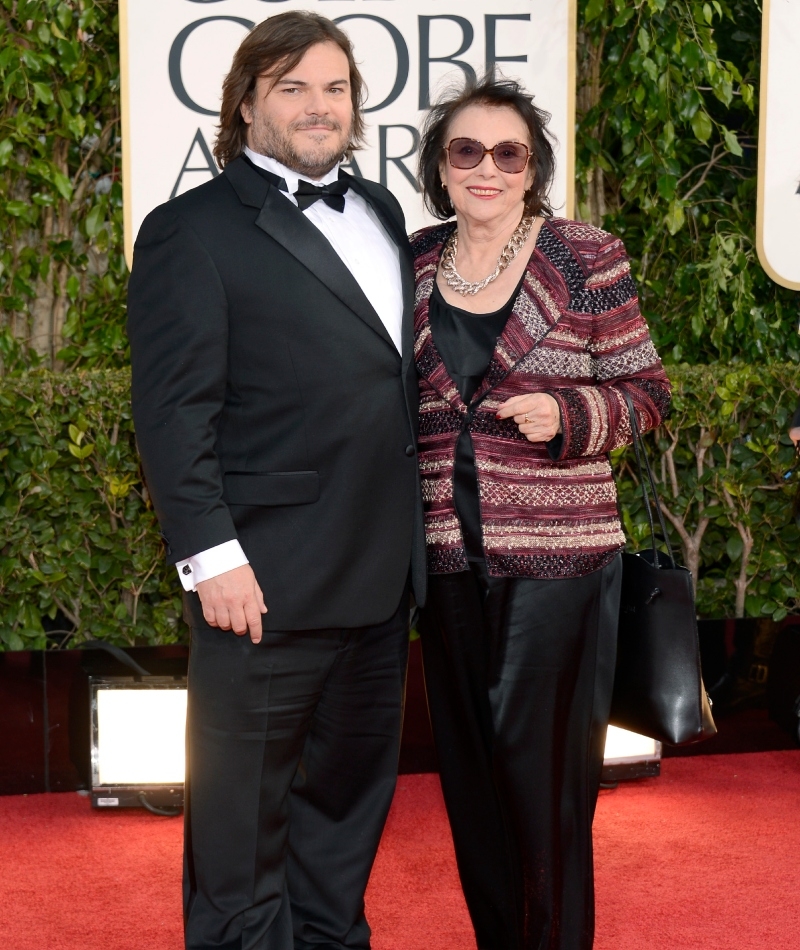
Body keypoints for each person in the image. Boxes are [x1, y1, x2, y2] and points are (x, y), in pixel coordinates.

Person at [127, 12, 425, 950]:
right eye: (292, 87)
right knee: (240, 826)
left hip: (381, 581)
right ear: (246, 100)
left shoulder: (380, 209)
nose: (318, 106)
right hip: (261, 585)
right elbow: (175, 415)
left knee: (344, 813)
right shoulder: (190, 231)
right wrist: (212, 559)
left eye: (335, 88)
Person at [411, 76, 671, 950]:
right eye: (466, 150)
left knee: (545, 790)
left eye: (508, 152)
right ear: (441, 168)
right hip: (447, 563)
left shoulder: (585, 257)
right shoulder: (411, 262)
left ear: (533, 170)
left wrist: (571, 415)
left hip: (561, 565)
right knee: (473, 788)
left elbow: (646, 392)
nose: (488, 167)